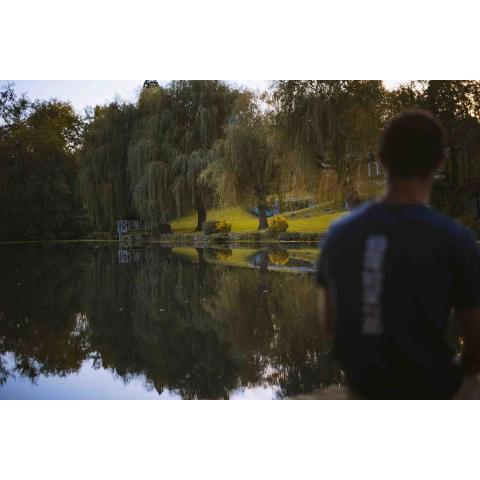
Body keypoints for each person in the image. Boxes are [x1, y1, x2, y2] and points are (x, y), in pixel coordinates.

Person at [317, 109, 480, 399]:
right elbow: (476, 344)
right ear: (439, 162)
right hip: (431, 385)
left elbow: (332, 324)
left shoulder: (338, 233)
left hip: (363, 384)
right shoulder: (455, 240)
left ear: (381, 160)